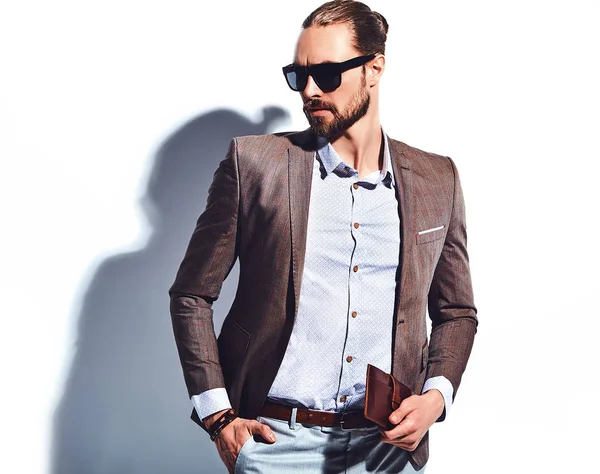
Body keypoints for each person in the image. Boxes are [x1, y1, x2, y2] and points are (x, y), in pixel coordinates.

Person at [169, 1, 477, 472]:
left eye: (328, 74)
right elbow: (192, 294)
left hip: (386, 448)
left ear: (374, 69)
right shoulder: (255, 166)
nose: (310, 91)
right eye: (299, 75)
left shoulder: (439, 179)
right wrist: (218, 416)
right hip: (277, 442)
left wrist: (435, 397)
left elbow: (456, 312)